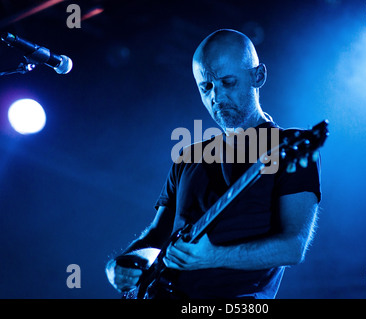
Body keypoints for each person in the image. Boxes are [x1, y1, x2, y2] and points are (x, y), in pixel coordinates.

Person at [105, 29, 321, 299]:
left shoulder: (288, 148)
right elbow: (157, 236)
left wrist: (213, 257)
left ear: (258, 76)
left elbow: (293, 246)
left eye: (228, 82)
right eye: (206, 87)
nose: (216, 97)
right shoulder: (188, 157)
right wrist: (124, 263)